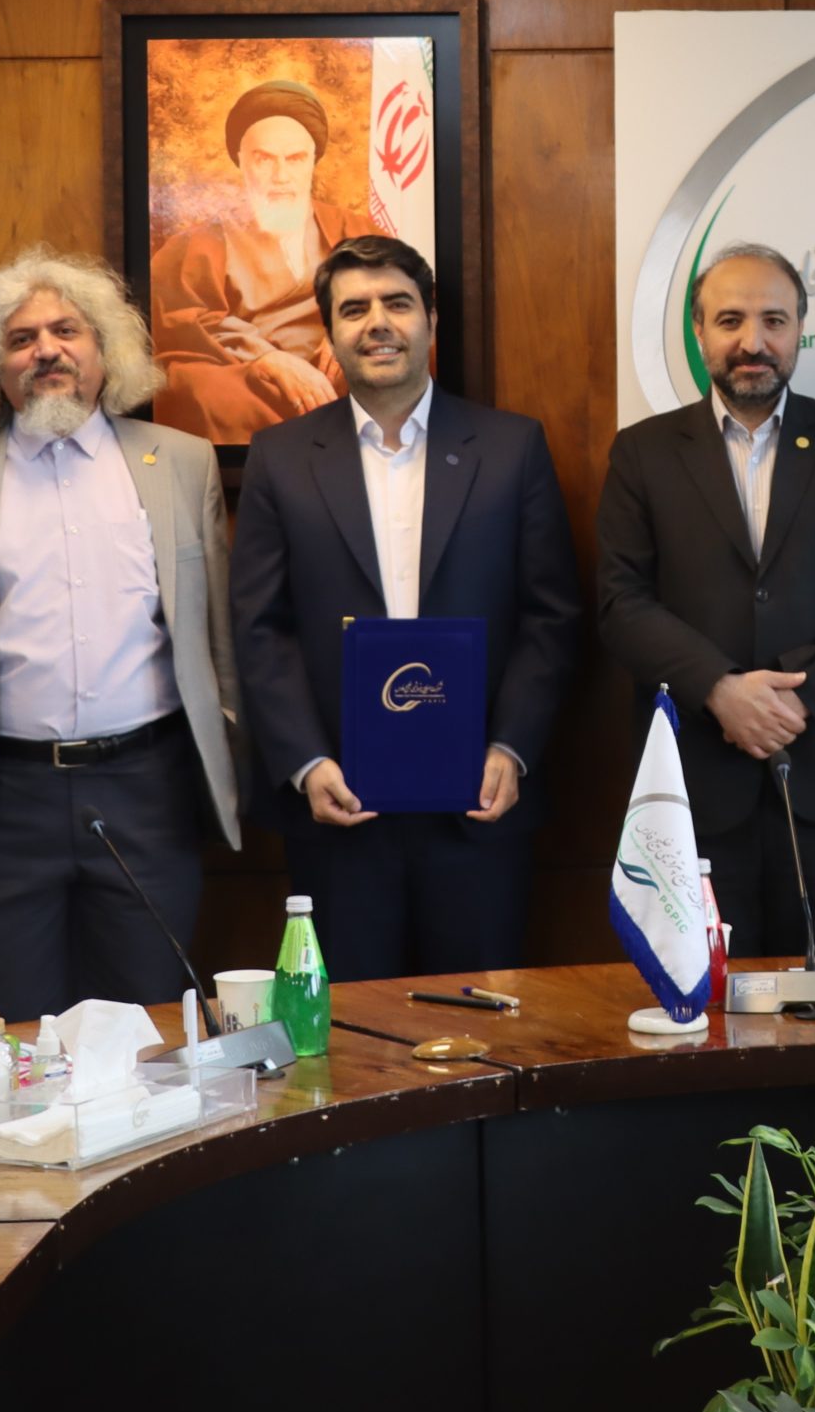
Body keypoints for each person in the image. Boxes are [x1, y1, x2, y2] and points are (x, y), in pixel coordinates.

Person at [0, 250, 241, 1022]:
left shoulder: (181, 461)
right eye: (21, 339)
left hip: (148, 790)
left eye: (67, 330)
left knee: (149, 1028)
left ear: (105, 351)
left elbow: (219, 642)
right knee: (4, 1034)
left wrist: (233, 771)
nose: (46, 350)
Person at [230, 235, 582, 978]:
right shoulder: (280, 456)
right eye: (353, 309)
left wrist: (511, 748)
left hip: (478, 802)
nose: (377, 323)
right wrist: (305, 762)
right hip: (338, 805)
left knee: (480, 1024)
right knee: (352, 1029)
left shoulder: (511, 447)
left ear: (430, 320)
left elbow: (550, 616)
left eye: (397, 303)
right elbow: (261, 628)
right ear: (330, 332)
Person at [598, 244, 815, 955]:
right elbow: (622, 601)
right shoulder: (643, 452)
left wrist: (799, 699)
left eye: (774, 320)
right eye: (730, 320)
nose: (753, 341)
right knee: (709, 1001)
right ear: (699, 331)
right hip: (693, 785)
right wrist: (719, 689)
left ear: (800, 327)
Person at [149, 77, 380, 445]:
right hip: (247, 377)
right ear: (240, 161)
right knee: (202, 392)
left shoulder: (353, 229)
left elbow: (398, 293)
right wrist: (267, 360)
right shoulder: (198, 244)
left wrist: (349, 331)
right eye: (264, 159)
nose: (281, 177)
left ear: (313, 161)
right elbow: (183, 320)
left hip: (336, 372)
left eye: (295, 159)